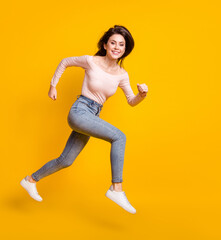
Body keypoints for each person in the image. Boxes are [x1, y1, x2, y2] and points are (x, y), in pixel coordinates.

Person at [20, 25, 148, 214]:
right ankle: (116, 188)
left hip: (93, 114)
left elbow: (131, 101)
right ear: (105, 45)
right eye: (113, 42)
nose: (116, 47)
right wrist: (52, 86)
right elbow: (65, 61)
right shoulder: (91, 61)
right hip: (80, 111)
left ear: (125, 49)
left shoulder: (122, 75)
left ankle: (30, 180)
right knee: (119, 137)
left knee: (66, 160)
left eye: (121, 44)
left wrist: (141, 95)